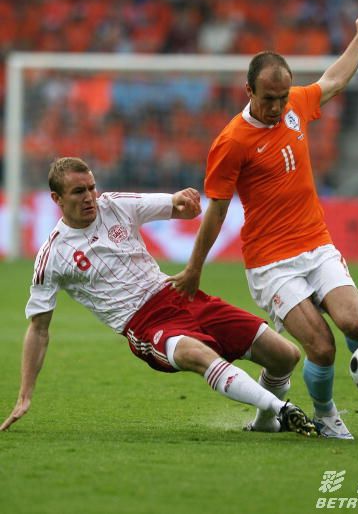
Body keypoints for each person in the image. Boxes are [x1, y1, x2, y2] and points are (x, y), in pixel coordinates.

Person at [168, 11, 358, 439]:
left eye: (282, 97)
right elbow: (217, 210)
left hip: (316, 243)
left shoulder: (295, 105)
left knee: (355, 323)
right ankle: (326, 413)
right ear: (249, 91)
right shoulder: (231, 142)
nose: (278, 107)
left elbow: (334, 80)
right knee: (321, 346)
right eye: (269, 99)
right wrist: (194, 268)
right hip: (271, 263)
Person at [0, 157, 316, 437]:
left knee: (285, 355)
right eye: (78, 192)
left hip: (180, 294)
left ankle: (265, 421)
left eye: (92, 188)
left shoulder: (114, 205)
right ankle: (282, 409)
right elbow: (38, 330)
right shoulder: (52, 255)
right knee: (199, 354)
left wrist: (184, 202)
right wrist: (25, 395)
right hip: (144, 324)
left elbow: (174, 205)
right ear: (57, 199)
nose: (89, 197)